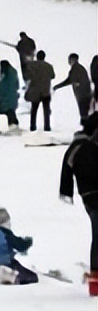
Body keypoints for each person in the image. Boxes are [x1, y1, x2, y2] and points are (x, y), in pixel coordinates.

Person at [59, 114, 98, 296]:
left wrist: (66, 192)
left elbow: (66, 170)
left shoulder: (75, 147)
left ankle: (95, 279)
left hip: (87, 197)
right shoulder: (90, 145)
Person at [0, 208, 38, 285]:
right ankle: (10, 276)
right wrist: (28, 242)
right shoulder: (5, 232)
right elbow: (20, 246)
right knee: (32, 277)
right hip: (8, 264)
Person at [55, 53, 94, 121]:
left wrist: (57, 87)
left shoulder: (76, 69)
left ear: (72, 59)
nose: (68, 62)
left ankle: (86, 128)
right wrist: (57, 86)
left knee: (84, 114)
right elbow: (70, 80)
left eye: (69, 60)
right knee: (84, 113)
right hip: (84, 94)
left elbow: (71, 80)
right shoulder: (78, 68)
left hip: (83, 95)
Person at [25, 50, 56, 132]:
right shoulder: (49, 66)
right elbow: (53, 76)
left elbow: (27, 74)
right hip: (46, 91)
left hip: (35, 91)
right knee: (46, 110)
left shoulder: (32, 65)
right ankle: (47, 126)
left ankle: (32, 126)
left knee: (34, 110)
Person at [0, 60, 21, 131]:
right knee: (11, 111)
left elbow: (2, 86)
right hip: (13, 97)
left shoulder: (5, 75)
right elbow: (17, 85)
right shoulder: (13, 73)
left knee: (9, 112)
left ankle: (13, 127)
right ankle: (15, 125)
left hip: (6, 98)